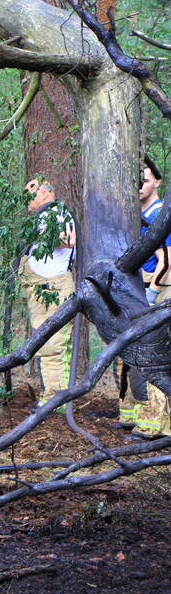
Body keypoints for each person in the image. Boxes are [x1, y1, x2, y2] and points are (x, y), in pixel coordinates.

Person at [124, 156, 171, 437]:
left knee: (155, 353)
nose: (141, 184)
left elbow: (167, 260)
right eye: (137, 179)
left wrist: (153, 292)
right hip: (136, 288)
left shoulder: (160, 214)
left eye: (145, 178)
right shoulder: (131, 214)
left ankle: (157, 424)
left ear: (157, 182)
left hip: (159, 288)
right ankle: (134, 413)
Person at [19, 178, 76, 411]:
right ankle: (53, 395)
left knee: (53, 343)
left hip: (53, 289)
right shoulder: (43, 217)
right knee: (45, 343)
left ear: (43, 194)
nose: (26, 201)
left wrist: (46, 236)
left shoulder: (58, 214)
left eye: (29, 195)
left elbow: (69, 240)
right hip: (40, 289)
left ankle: (56, 399)